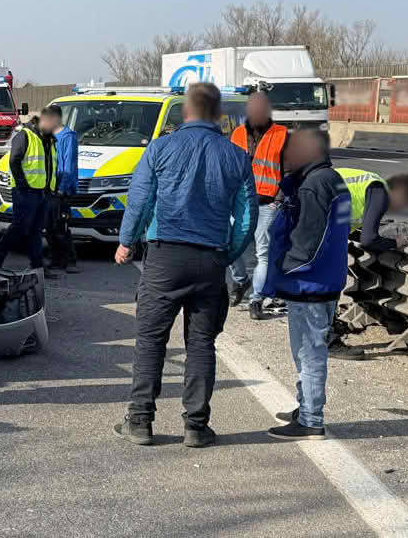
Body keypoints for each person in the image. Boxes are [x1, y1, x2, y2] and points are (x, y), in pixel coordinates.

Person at [114, 83, 256, 449]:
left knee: (150, 339)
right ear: (218, 114)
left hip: (165, 256)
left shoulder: (160, 148)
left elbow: (140, 199)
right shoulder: (236, 156)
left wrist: (127, 241)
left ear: (186, 112)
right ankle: (196, 425)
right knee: (202, 343)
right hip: (210, 258)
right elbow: (246, 218)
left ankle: (140, 421)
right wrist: (227, 254)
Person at [261, 129, 352, 441]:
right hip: (324, 279)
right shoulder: (330, 179)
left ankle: (312, 420)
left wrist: (283, 270)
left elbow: (309, 240)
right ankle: (306, 408)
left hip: (309, 283)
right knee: (308, 352)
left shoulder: (314, 185)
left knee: (308, 354)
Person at [325, 169, 408, 359]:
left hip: (301, 224)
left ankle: (322, 333)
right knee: (328, 287)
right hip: (318, 234)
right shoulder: (379, 191)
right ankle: (327, 343)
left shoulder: (365, 182)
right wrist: (396, 242)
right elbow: (369, 239)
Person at [228, 91, 288, 319]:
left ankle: (256, 299)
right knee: (229, 245)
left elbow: (290, 171)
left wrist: (279, 200)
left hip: (267, 204)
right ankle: (241, 281)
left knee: (263, 253)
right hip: (238, 202)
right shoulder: (237, 134)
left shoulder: (282, 135)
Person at [0, 107, 59, 272]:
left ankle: (37, 266)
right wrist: (22, 185)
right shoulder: (25, 135)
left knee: (36, 230)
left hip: (43, 192)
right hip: (26, 192)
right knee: (20, 227)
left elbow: (50, 165)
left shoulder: (48, 139)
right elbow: (14, 161)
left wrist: (52, 189)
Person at [46, 104, 80, 274]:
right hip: (50, 188)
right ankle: (56, 259)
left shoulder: (68, 137)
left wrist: (62, 188)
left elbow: (69, 166)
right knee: (50, 226)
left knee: (61, 226)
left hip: (62, 189)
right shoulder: (49, 136)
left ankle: (70, 260)